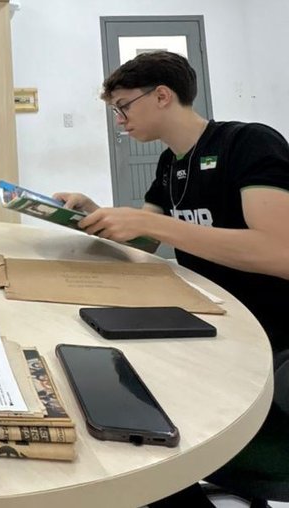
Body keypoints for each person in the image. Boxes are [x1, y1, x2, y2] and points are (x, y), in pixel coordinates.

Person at [55, 50, 289, 507]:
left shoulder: (249, 143)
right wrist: (91, 214)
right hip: (208, 315)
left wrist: (155, 225)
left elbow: (280, 252)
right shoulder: (169, 166)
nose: (119, 120)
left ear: (161, 96)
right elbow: (141, 247)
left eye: (123, 106)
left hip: (267, 331)